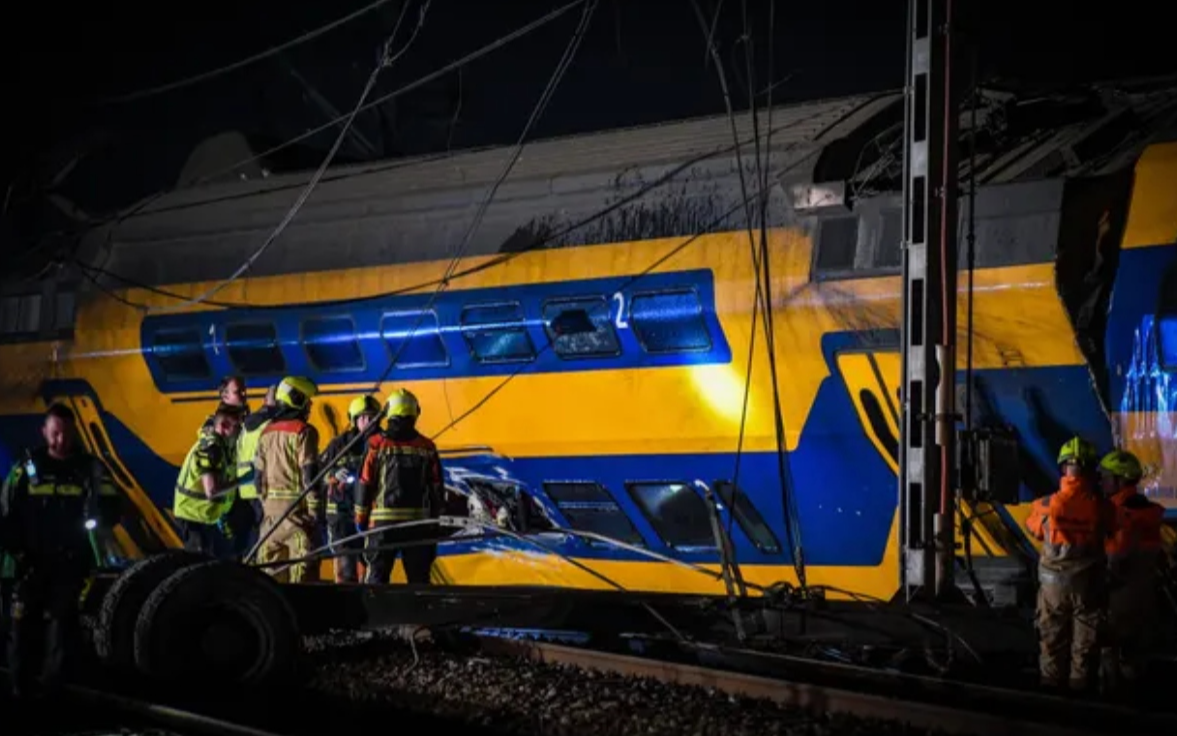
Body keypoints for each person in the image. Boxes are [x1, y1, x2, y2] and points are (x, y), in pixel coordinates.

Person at [0, 404, 119, 698]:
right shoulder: (26, 469)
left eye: (66, 434)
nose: (60, 440)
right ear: (44, 432)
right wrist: (16, 553)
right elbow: (6, 513)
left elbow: (113, 507)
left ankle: (55, 696)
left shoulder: (89, 470)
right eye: (55, 433)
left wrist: (99, 517)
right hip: (28, 563)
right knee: (21, 630)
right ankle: (20, 692)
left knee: (61, 629)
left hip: (69, 563)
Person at [1026, 437, 1117, 693]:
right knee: (1085, 646)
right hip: (1088, 588)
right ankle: (1080, 695)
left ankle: (1051, 696)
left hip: (1052, 590)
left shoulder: (1044, 506)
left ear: (1063, 468)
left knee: (1052, 642)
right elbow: (1113, 529)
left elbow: (1034, 530)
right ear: (1091, 470)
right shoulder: (1102, 507)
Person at [356, 388, 443, 585]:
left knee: (376, 580)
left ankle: (375, 614)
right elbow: (436, 487)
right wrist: (434, 521)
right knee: (419, 580)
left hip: (381, 525)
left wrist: (360, 518)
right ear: (415, 413)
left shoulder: (376, 444)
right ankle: (421, 614)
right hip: (417, 525)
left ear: (389, 413)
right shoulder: (427, 447)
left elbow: (365, 483)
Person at [1097, 450, 1164, 694]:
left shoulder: (1119, 514)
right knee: (1135, 655)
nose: (1102, 481)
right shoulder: (1150, 512)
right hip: (1144, 593)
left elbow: (1117, 557)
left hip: (1118, 594)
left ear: (1120, 480)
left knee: (1110, 649)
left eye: (1106, 476)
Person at [254, 377, 322, 583]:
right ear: (297, 399)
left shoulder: (265, 433)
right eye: (307, 401)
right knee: (303, 582)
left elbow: (258, 480)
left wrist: (267, 508)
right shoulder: (305, 432)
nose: (309, 406)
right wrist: (314, 511)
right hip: (297, 518)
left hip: (269, 524)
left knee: (270, 583)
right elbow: (310, 475)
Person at [319, 395, 382, 583]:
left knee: (371, 572)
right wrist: (333, 475)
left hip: (371, 516)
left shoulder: (383, 443)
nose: (368, 422)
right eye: (363, 417)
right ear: (354, 420)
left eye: (372, 417)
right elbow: (317, 475)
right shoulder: (339, 445)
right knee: (346, 571)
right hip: (341, 516)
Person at [172, 403, 244, 555]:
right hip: (192, 515)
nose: (240, 431)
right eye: (237, 426)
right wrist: (244, 480)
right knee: (200, 569)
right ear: (224, 426)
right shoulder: (212, 449)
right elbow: (212, 491)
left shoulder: (223, 446)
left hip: (204, 515)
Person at [226, 383, 280, 556]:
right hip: (260, 489)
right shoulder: (270, 423)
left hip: (244, 490)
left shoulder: (249, 423)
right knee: (260, 540)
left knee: (245, 540)